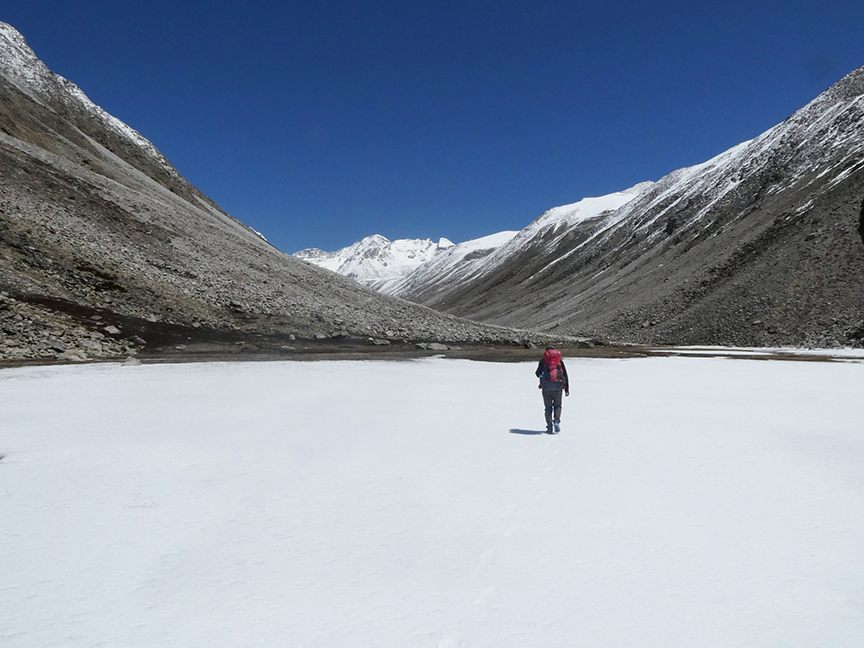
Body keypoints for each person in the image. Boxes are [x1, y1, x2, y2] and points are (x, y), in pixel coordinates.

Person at [535, 347, 569, 434]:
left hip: (546, 387)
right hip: (558, 387)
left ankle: (549, 426)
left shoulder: (543, 361)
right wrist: (567, 389)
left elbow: (537, 373)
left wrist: (543, 376)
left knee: (548, 407)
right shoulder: (559, 361)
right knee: (557, 406)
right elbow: (565, 374)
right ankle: (556, 421)